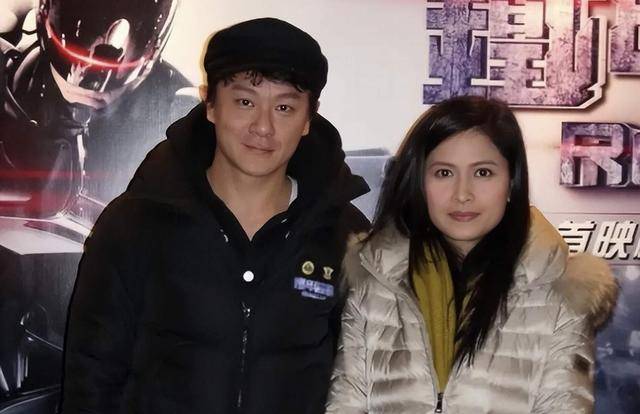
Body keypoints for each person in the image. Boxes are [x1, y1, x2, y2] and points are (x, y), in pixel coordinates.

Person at [61, 17, 369, 414]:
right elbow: (91, 379)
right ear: (210, 104)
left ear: (309, 118)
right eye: (245, 102)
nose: (263, 127)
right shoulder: (135, 224)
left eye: (284, 107)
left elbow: (365, 383)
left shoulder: (346, 237)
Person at [326, 96, 618, 413]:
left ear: (511, 181)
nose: (462, 194)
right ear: (419, 182)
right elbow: (346, 403)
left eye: (483, 173)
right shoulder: (374, 280)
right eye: (443, 173)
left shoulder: (559, 292)